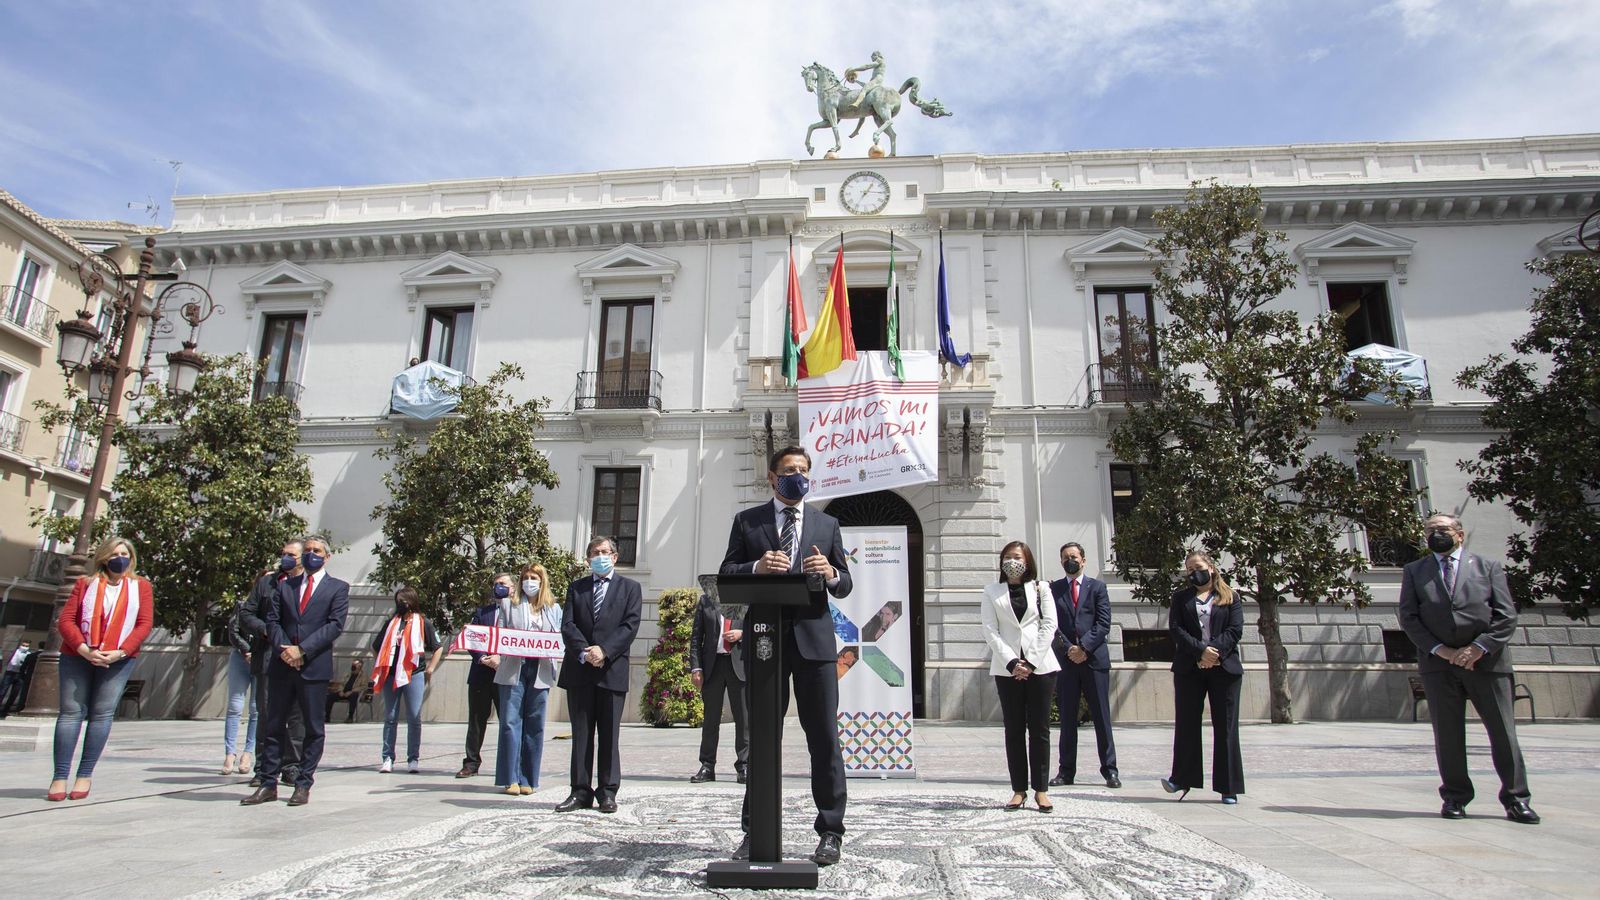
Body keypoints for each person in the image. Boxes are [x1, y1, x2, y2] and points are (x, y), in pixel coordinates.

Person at [720, 446, 853, 867]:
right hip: (765, 642)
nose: (797, 475)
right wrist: (756, 566)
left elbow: (845, 582)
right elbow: (727, 572)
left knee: (825, 740)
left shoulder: (827, 523)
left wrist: (831, 574)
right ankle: (753, 830)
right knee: (761, 737)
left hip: (814, 645)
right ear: (772, 477)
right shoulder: (747, 521)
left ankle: (831, 830)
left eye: (803, 470)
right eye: (789, 470)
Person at [1398, 513, 1537, 824]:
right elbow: (1409, 617)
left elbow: (1505, 616)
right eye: (1430, 530)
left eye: (1442, 529)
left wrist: (1478, 648)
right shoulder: (1415, 571)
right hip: (1440, 665)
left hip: (1486, 663)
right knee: (1447, 735)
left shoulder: (1487, 567)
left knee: (1503, 734)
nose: (1435, 534)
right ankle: (1455, 797)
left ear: (1459, 534)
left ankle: (1516, 799)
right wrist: (1442, 650)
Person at [242, 534, 349, 808]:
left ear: (327, 556)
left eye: (317, 550)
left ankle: (303, 783)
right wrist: (285, 649)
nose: (311, 554)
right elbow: (273, 621)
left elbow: (334, 625)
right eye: (308, 550)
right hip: (282, 663)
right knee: (273, 724)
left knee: (312, 727)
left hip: (313, 666)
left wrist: (303, 651)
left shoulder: (337, 588)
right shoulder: (285, 586)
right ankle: (267, 782)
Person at [47, 536, 154, 801]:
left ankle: (85, 775)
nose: (121, 558)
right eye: (115, 553)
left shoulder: (140, 587)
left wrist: (120, 652)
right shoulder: (86, 584)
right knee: (71, 713)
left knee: (102, 714)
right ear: (104, 558)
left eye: (125, 553)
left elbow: (144, 624)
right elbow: (67, 620)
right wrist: (84, 649)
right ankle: (60, 776)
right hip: (78, 655)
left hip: (118, 659)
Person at [555, 537, 642, 815]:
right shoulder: (576, 588)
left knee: (608, 735)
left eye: (605, 552)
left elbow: (630, 625)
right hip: (580, 671)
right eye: (595, 553)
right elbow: (567, 624)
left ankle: (607, 792)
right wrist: (585, 651)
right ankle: (579, 791)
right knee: (581, 735)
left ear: (615, 557)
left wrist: (604, 651)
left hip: (611, 670)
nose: (600, 556)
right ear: (588, 558)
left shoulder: (630, 588)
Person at [980, 541, 1060, 814]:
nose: (1011, 561)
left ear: (1027, 561)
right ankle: (1018, 790)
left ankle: (1041, 790)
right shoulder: (992, 591)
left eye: (1016, 557)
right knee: (1013, 730)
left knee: (1040, 730)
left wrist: (1031, 661)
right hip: (1007, 669)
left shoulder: (1041, 588)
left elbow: (1049, 625)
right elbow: (991, 631)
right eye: (1007, 557)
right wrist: (1013, 662)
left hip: (1040, 668)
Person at [1161, 552, 1245, 804]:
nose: (1192, 572)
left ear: (1210, 567)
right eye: (1188, 569)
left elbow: (1235, 629)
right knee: (1186, 723)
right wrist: (1200, 651)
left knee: (1226, 727)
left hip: (1224, 668)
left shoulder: (1230, 597)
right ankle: (1182, 779)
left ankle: (1228, 786)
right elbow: (1176, 629)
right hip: (1190, 667)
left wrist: (1214, 653)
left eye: (1196, 567)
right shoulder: (1181, 598)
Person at [233, 542, 307, 787]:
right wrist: (266, 631)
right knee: (267, 714)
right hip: (267, 656)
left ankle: (292, 766)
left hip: (297, 657)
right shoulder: (266, 583)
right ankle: (264, 767)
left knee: (296, 716)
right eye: (283, 554)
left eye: (291, 555)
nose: (285, 558)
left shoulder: (309, 585)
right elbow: (246, 615)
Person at [1050, 542, 1119, 788]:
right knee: (1067, 719)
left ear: (1084, 560)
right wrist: (1069, 648)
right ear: (1061, 562)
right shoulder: (1054, 589)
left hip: (1094, 661)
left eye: (1075, 556)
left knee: (1102, 717)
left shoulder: (1098, 587)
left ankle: (1110, 770)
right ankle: (1066, 771)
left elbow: (1103, 622)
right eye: (1066, 557)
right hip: (1067, 663)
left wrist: (1084, 648)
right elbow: (1052, 624)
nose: (1071, 560)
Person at [494, 566, 562, 795]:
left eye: (534, 578)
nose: (529, 582)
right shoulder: (508, 605)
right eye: (526, 578)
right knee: (510, 723)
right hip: (515, 665)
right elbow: (499, 633)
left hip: (540, 668)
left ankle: (528, 778)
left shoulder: (553, 608)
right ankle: (509, 778)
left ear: (542, 582)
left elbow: (559, 637)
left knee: (535, 724)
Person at [371, 586, 441, 774]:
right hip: (391, 675)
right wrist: (382, 661)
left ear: (412, 602)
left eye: (404, 601)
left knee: (413, 717)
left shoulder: (423, 622)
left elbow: (437, 646)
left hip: (414, 673)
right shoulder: (391, 623)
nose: (401, 604)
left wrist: (430, 668)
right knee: (391, 717)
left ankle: (413, 758)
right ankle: (387, 757)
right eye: (398, 601)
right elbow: (376, 645)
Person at [688, 586, 747, 784]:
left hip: (738, 664)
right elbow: (696, 637)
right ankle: (707, 765)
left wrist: (742, 633)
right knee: (711, 719)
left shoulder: (746, 598)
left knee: (743, 718)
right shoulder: (706, 601)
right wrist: (696, 668)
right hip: (713, 666)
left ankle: (744, 765)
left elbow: (761, 626)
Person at [453, 594, 503, 779]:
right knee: (476, 721)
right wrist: (483, 658)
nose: (500, 587)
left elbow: (519, 641)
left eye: (505, 584)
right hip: (481, 674)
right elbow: (471, 638)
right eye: (497, 583)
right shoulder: (482, 613)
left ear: (513, 588)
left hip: (505, 675)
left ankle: (507, 764)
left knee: (509, 722)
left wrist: (501, 658)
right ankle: (471, 763)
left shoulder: (518, 613)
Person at [221, 615, 258, 776]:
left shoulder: (272, 603)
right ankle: (230, 754)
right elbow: (233, 630)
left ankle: (248, 753)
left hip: (261, 657)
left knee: (256, 709)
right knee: (234, 706)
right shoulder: (243, 606)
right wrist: (246, 650)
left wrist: (257, 652)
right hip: (239, 656)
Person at [0, 639, 33, 716]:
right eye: (23, 645)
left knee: (14, 694)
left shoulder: (28, 654)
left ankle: (5, 711)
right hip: (10, 673)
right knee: (2, 691)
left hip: (20, 674)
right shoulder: (14, 652)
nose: (24, 647)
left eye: (26, 646)